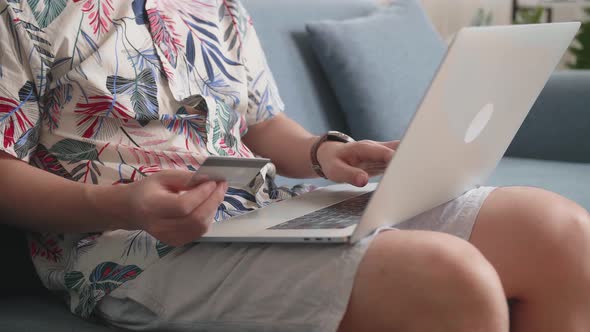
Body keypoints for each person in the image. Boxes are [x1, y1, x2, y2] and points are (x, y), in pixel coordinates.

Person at [0, 0, 589, 331]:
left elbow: (260, 122)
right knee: (450, 280)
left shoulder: (215, 6)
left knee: (557, 233)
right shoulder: (24, 11)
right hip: (126, 245)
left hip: (261, 208)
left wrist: (322, 152)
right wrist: (124, 203)